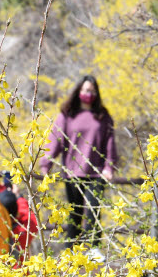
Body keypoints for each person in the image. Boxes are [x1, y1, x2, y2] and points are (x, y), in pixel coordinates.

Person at [40, 75, 118, 249]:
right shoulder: (67, 115)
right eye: (85, 90)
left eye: (91, 90)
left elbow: (110, 143)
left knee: (93, 211)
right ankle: (71, 251)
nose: (88, 93)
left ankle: (93, 248)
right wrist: (46, 164)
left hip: (96, 173)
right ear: (78, 91)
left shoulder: (103, 116)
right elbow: (55, 140)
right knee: (74, 213)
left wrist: (109, 167)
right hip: (72, 172)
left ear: (97, 93)